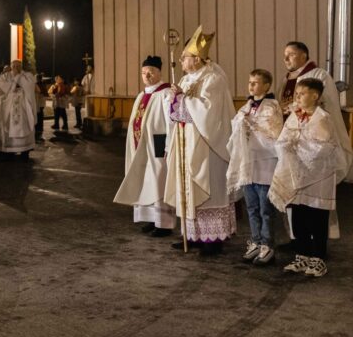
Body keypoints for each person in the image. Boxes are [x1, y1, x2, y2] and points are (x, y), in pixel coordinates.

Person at [164, 26, 237, 256]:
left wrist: (182, 100)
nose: (181, 60)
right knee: (189, 189)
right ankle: (192, 235)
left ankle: (212, 239)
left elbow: (208, 113)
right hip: (187, 142)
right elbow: (176, 113)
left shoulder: (213, 78)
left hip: (208, 145)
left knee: (208, 188)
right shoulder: (186, 79)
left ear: (196, 58)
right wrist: (172, 100)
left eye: (184, 57)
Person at [276, 41, 353, 246]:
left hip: (313, 145)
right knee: (292, 192)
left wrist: (296, 107)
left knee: (314, 198)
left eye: (291, 54)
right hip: (292, 143)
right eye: (285, 54)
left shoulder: (319, 75)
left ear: (304, 55)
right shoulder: (286, 79)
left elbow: (327, 105)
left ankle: (316, 242)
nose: (286, 58)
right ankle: (296, 238)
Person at [270, 78, 338, 278]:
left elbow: (323, 147)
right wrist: (286, 145)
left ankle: (318, 259)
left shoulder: (323, 118)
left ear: (315, 96)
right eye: (297, 94)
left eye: (302, 94)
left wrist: (297, 145)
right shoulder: (295, 116)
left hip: (318, 176)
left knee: (316, 217)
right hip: (296, 174)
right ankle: (302, 254)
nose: (297, 97)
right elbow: (282, 139)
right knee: (298, 216)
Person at [114, 55, 175, 237]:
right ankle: (151, 219)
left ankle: (164, 224)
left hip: (158, 144)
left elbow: (171, 122)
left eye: (151, 72)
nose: (147, 76)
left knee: (159, 182)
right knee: (145, 181)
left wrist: (168, 145)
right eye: (143, 72)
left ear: (159, 73)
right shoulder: (142, 95)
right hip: (140, 145)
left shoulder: (165, 93)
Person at [227, 68, 283, 265]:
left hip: (266, 163)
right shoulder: (247, 106)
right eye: (250, 82)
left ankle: (268, 244)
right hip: (248, 163)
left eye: (255, 83)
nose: (251, 86)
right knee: (251, 207)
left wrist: (252, 125)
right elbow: (236, 127)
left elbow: (274, 133)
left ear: (266, 86)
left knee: (265, 209)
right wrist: (241, 123)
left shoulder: (272, 107)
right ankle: (256, 241)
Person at [0, 60, 37, 159]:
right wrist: (15, 84)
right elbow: (2, 86)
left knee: (25, 124)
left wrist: (18, 78)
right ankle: (10, 152)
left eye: (18, 66)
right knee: (7, 125)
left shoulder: (27, 75)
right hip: (9, 105)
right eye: (14, 66)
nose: (16, 68)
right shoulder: (5, 76)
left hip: (23, 105)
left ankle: (25, 152)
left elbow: (30, 87)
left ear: (21, 67)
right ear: (11, 66)